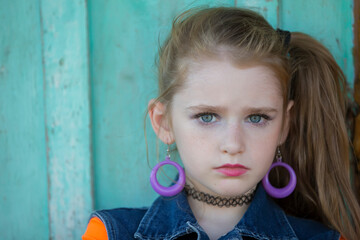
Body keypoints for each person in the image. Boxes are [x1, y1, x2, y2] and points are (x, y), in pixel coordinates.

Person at [82, 7, 360, 240]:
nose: (233, 144)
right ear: (163, 122)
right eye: (207, 116)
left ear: (285, 125)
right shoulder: (110, 233)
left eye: (257, 118)